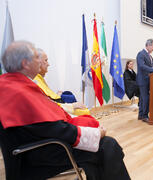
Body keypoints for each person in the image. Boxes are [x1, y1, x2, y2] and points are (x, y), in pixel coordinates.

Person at [0, 41, 130, 180]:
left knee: (102, 150)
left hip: (37, 144)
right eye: (37, 57)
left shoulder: (10, 84)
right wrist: (95, 134)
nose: (41, 61)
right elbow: (52, 128)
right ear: (25, 63)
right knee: (107, 146)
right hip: (38, 151)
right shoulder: (18, 91)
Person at [34, 48, 90, 116]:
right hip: (55, 113)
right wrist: (72, 106)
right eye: (46, 60)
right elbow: (48, 105)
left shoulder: (38, 78)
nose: (48, 64)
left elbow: (49, 98)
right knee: (85, 112)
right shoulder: (35, 81)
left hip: (58, 106)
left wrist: (58, 95)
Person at [136, 39, 153, 122]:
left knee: (143, 98)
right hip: (143, 80)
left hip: (148, 79)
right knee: (145, 98)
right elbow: (142, 66)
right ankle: (145, 116)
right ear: (148, 45)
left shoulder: (149, 55)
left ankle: (141, 115)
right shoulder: (141, 54)